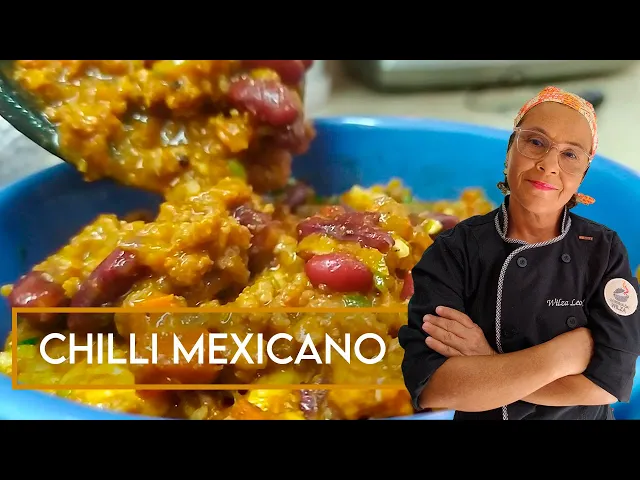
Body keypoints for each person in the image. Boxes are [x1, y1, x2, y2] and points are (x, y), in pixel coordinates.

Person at [398, 86, 640, 420]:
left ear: (583, 175)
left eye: (570, 155)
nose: (548, 165)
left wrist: (486, 361)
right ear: (509, 150)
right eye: (536, 142)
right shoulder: (454, 250)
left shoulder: (604, 250)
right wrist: (559, 357)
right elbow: (436, 389)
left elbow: (609, 382)